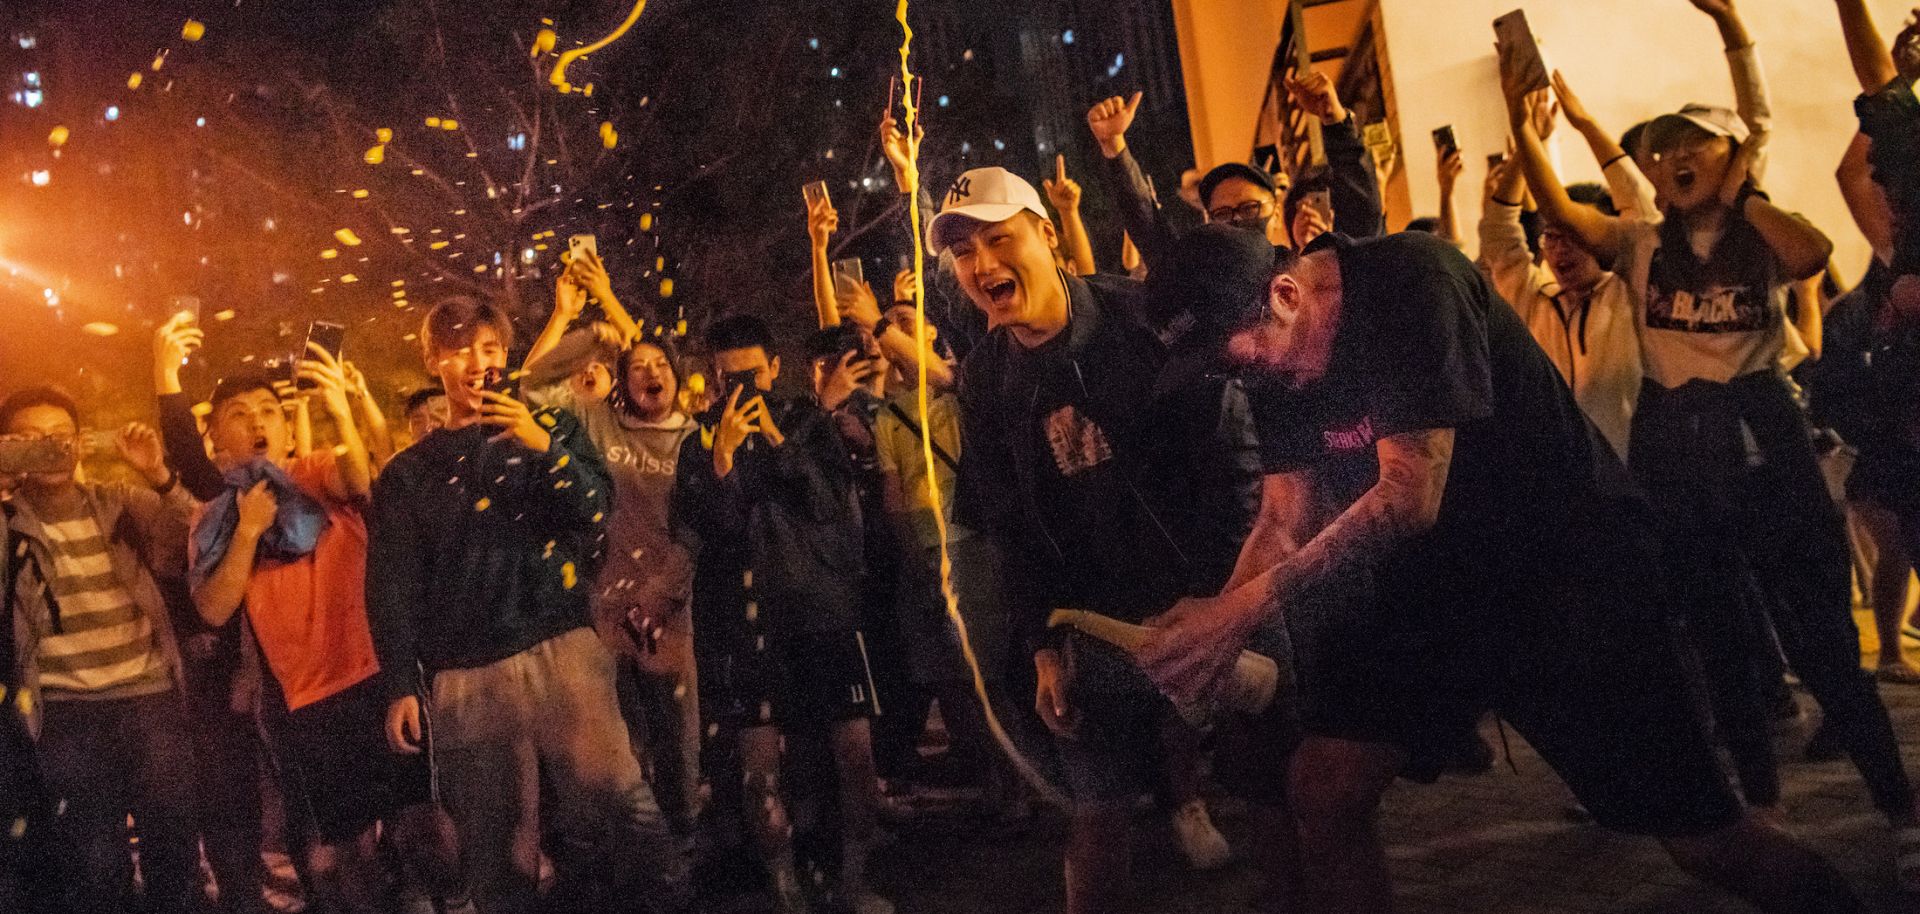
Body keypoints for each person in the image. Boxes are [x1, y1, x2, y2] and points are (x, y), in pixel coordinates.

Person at [1138, 230, 1865, 914]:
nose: (1231, 381)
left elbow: (1406, 497)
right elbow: (1283, 517)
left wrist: (1237, 616)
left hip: (1563, 579)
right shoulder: (1270, 362)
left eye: (1228, 360)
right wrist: (1217, 621)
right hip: (1430, 594)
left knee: (1707, 844)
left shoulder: (1411, 281)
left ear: (1287, 295)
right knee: (1325, 788)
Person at [1510, 22, 1920, 883]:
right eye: (1661, 151)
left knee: (1821, 648)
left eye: (1690, 144)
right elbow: (1563, 214)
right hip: (1675, 450)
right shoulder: (1640, 244)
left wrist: (1740, 193)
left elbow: (1812, 254)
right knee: (1722, 639)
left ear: (1729, 154)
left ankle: (1899, 803)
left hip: (1761, 438)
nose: (1671, 160)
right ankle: (1762, 808)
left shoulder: (1759, 234)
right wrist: (1523, 131)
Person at [932, 167, 1279, 914]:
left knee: (1277, 790)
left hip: (1212, 597)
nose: (984, 266)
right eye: (964, 254)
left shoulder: (1144, 319)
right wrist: (1041, 648)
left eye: (999, 240)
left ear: (1047, 234)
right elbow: (1010, 527)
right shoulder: (986, 378)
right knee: (1096, 810)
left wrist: (1218, 601)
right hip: (1094, 623)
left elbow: (1233, 469)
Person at [366, 297, 690, 914]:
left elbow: (597, 513)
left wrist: (544, 446)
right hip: (468, 672)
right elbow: (393, 582)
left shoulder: (554, 429)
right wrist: (400, 682)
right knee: (496, 842)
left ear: (505, 356)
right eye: (460, 350)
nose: (477, 363)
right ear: (435, 361)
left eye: (489, 349)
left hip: (561, 643)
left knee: (619, 805)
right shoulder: (408, 474)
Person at [186, 352, 465, 914]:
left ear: (288, 426)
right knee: (351, 847)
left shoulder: (313, 473)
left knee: (424, 824)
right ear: (216, 440)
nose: (258, 421)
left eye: (269, 409)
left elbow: (359, 476)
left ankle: (456, 903)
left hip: (381, 677)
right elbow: (214, 608)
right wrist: (248, 533)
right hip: (309, 701)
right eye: (239, 414)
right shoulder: (212, 519)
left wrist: (340, 408)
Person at [674, 315, 890, 914]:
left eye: (752, 373)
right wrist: (721, 464)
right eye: (728, 379)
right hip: (747, 621)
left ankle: (853, 879)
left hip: (821, 610)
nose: (743, 389)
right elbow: (706, 531)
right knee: (759, 771)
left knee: (853, 755)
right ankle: (785, 887)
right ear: (713, 382)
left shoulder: (812, 422)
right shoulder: (699, 442)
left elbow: (825, 504)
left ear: (773, 367)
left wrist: (775, 435)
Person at [1, 388, 203, 914]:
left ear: (79, 444)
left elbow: (192, 540)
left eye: (59, 436)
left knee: (175, 846)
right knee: (95, 863)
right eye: (30, 439)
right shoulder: (8, 521)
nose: (49, 448)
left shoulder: (118, 500)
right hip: (66, 711)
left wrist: (158, 474)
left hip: (149, 697)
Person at [524, 267, 705, 839]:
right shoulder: (600, 424)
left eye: (660, 366)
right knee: (618, 742)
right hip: (600, 610)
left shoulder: (694, 438)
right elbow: (529, 384)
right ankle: (635, 857)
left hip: (668, 611)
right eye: (636, 366)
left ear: (677, 377)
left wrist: (663, 593)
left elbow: (697, 528)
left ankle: (682, 847)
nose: (649, 373)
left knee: (676, 742)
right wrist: (590, 330)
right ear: (620, 381)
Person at [1087, 67, 1383, 278]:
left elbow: (1362, 223)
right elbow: (1152, 232)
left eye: (1250, 207)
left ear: (1277, 212)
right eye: (1224, 214)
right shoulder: (1207, 290)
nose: (1238, 220)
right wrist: (1115, 148)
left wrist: (1335, 123)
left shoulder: (1313, 274)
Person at [1482, 98, 1642, 461]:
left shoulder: (1631, 291)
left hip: (1633, 475)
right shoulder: (1536, 298)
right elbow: (1498, 233)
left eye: (1575, 236)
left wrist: (1585, 124)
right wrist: (1527, 146)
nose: (1560, 251)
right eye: (1551, 237)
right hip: (1563, 479)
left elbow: (1638, 211)